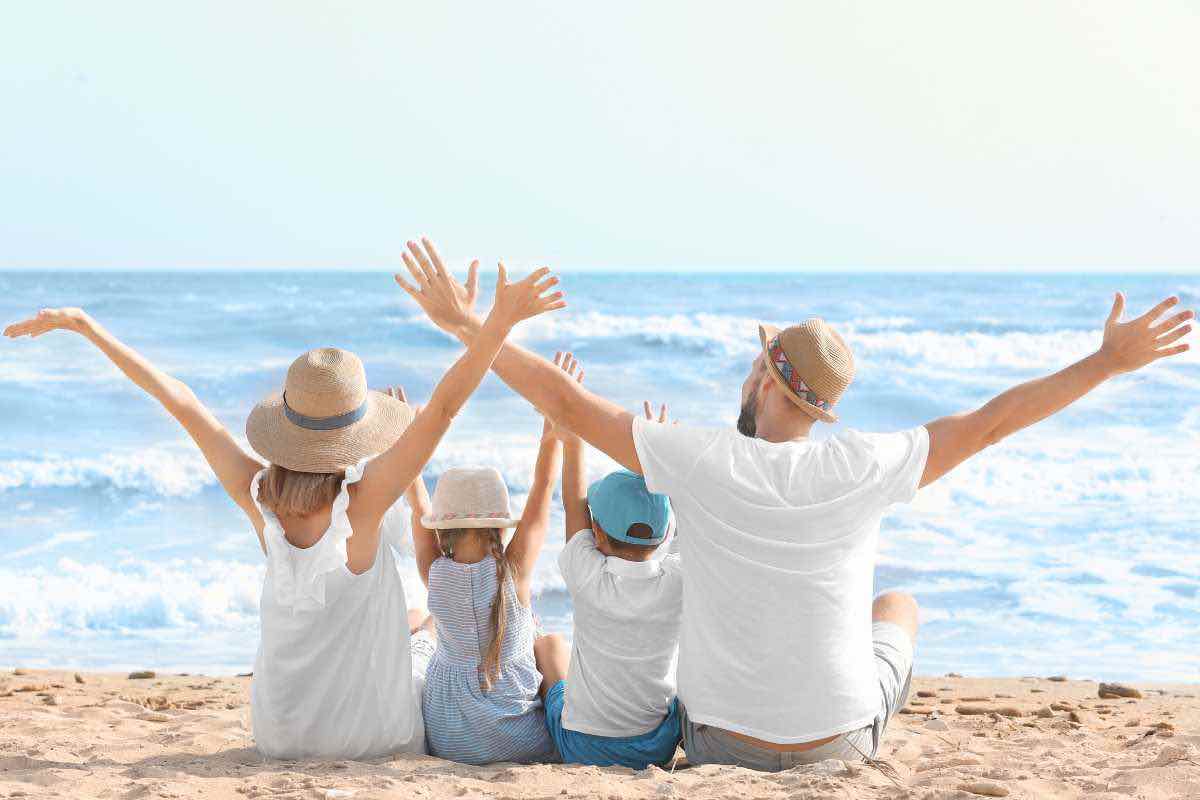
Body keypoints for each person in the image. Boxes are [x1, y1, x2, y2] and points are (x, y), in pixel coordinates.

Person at [394, 237, 1193, 771]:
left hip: (716, 747)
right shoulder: (865, 463)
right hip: (840, 745)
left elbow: (568, 405)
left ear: (766, 382)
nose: (747, 380)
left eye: (754, 369)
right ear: (820, 409)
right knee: (899, 607)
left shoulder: (698, 459)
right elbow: (988, 425)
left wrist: (473, 326)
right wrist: (1104, 363)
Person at [3, 262, 565, 760]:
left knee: (420, 625)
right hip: (374, 736)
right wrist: (497, 323)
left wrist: (86, 326)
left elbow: (181, 402)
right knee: (426, 633)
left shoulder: (259, 500)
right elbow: (442, 408)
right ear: (356, 433)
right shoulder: (361, 505)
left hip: (280, 735)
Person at [536, 360, 684, 770]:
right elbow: (689, 515)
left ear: (597, 533)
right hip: (658, 746)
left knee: (549, 646)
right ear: (665, 535)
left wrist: (572, 435)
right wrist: (666, 460)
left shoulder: (588, 577)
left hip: (582, 746)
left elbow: (573, 503)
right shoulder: (678, 579)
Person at [412, 401, 564, 765]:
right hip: (522, 741)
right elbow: (542, 490)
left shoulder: (434, 572)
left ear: (441, 528)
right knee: (544, 639)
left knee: (428, 629)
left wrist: (413, 442)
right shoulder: (513, 572)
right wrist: (552, 429)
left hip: (450, 740)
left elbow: (416, 505)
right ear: (499, 525)